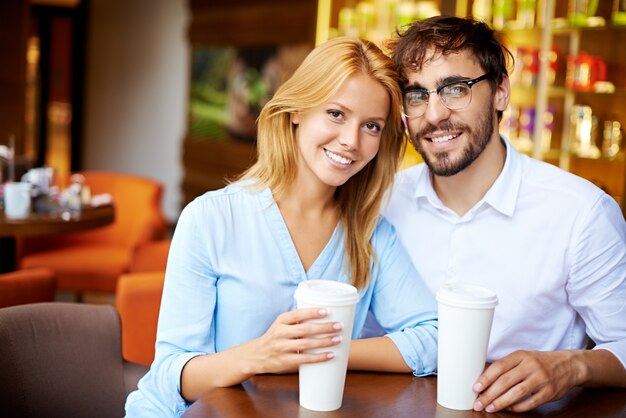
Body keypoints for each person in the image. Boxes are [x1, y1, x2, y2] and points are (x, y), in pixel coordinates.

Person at [125, 36, 438, 417]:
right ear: (297, 111)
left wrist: (324, 350)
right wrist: (260, 355)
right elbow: (172, 377)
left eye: (371, 126)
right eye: (336, 114)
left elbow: (435, 338)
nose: (351, 141)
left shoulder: (370, 234)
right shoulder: (210, 219)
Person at [383, 15, 626, 413]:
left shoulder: (580, 212)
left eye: (454, 89)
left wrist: (572, 365)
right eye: (417, 95)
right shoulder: (383, 203)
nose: (434, 114)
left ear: (500, 92)